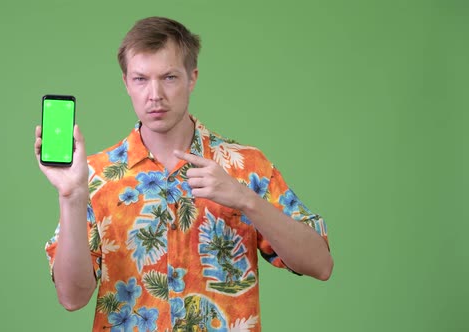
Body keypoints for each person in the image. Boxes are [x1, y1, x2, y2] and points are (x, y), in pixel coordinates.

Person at [35, 16, 333, 331]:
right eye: (140, 79)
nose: (155, 94)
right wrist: (71, 196)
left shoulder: (244, 166)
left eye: (169, 77)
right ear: (126, 83)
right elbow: (72, 297)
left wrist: (246, 199)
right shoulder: (94, 175)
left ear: (192, 78)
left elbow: (321, 265)